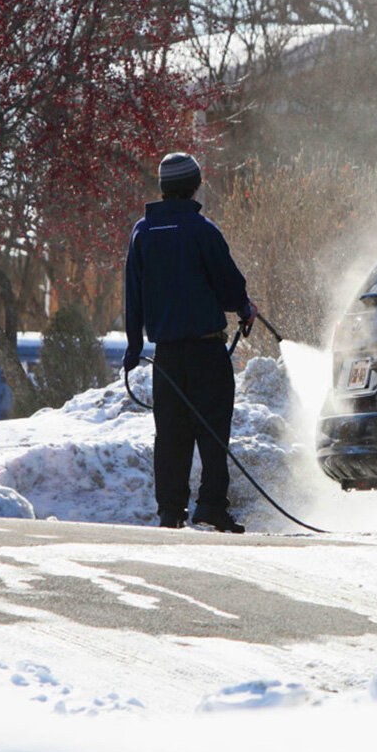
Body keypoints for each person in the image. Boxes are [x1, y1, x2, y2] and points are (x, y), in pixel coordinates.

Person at [123, 152, 256, 532]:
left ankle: (170, 511)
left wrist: (134, 350)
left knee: (171, 435)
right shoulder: (202, 230)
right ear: (194, 185)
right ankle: (211, 506)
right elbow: (230, 287)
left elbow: (133, 296)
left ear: (163, 188)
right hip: (206, 350)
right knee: (213, 431)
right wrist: (245, 309)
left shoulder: (142, 233)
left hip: (166, 356)